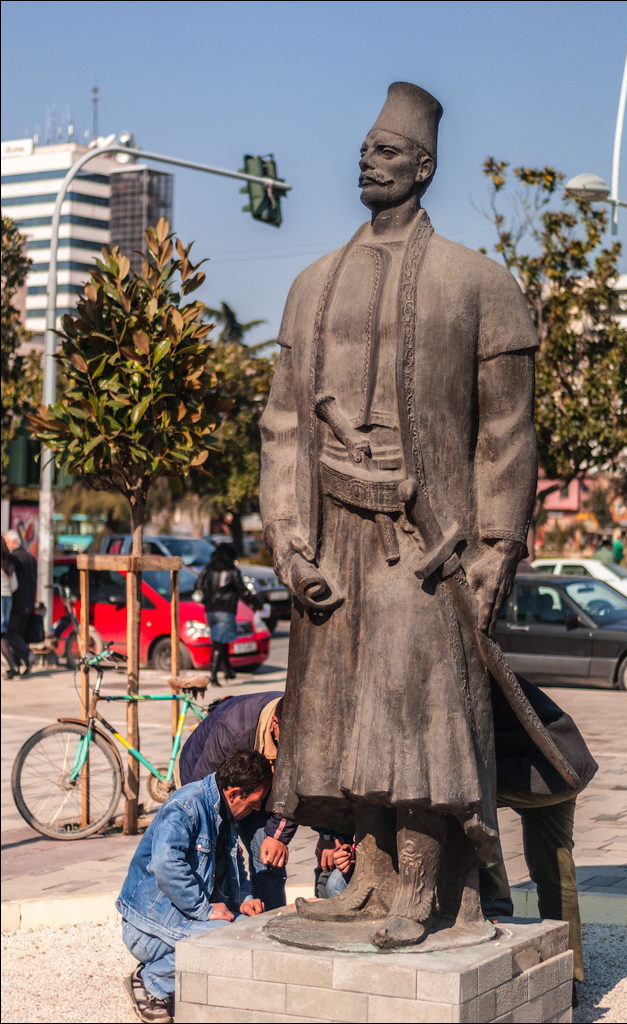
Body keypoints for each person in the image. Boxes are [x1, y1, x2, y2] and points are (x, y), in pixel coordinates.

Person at [260, 81, 539, 946]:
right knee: (344, 711)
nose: (365, 161)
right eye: (363, 150)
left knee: (415, 709)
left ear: (422, 167)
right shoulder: (311, 287)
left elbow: (508, 430)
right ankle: (370, 878)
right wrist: (288, 545)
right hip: (330, 532)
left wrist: (499, 547)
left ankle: (423, 885)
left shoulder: (479, 284)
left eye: (384, 152)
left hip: (429, 545)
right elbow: (281, 425)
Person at [323, 674, 597, 1003]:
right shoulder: (450, 668)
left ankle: (496, 902)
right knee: (555, 869)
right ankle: (570, 975)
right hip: (565, 757)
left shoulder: (442, 678)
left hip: (549, 763)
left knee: (456, 797)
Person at [117, 748, 270, 1024]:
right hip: (146, 926)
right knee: (226, 938)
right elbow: (166, 864)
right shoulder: (186, 805)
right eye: (256, 801)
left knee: (244, 930)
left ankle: (166, 971)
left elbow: (237, 867)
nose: (258, 808)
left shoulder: (226, 812)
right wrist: (204, 910)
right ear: (234, 793)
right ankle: (150, 983)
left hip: (177, 919)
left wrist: (245, 898)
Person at [179, 692, 295, 910]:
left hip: (256, 788)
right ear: (274, 723)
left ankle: (269, 924)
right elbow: (203, 793)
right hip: (204, 776)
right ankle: (213, 914)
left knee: (268, 857)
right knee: (214, 851)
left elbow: (296, 787)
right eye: (288, 738)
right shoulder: (233, 730)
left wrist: (278, 835)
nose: (294, 747)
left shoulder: (301, 718)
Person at [195, 542, 251, 685]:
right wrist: (256, 603)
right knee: (219, 644)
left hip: (210, 612)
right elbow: (242, 591)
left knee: (222, 641)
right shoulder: (233, 572)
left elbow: (197, 586)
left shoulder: (208, 570)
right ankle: (213, 676)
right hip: (226, 611)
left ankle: (228, 670)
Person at [3, 529, 37, 676]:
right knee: (19, 634)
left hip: (16, 602)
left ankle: (27, 657)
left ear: (13, 542)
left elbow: (14, 584)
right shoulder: (31, 557)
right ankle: (19, 664)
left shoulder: (14, 558)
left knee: (10, 634)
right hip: (29, 602)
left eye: (7, 542)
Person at [1, 537, 20, 677]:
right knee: (3, 632)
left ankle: (13, 666)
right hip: (8, 598)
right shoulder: (8, 564)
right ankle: (14, 665)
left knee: (1, 635)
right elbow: (14, 586)